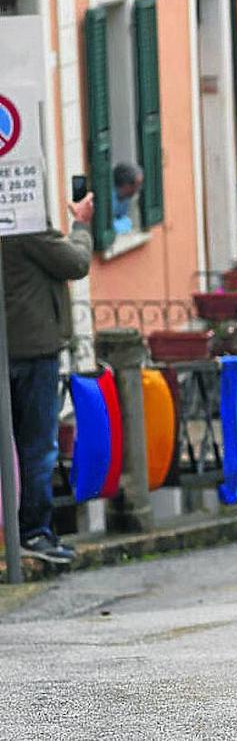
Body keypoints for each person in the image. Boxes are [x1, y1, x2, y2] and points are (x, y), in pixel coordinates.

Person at [3, 189, 95, 564]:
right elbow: (75, 263)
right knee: (38, 448)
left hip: (8, 348)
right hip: (33, 351)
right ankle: (34, 533)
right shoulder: (24, 222)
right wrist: (80, 224)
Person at [111, 162, 143, 236]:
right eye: (136, 186)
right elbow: (110, 227)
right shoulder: (109, 199)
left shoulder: (126, 198)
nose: (137, 190)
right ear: (126, 184)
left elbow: (125, 219)